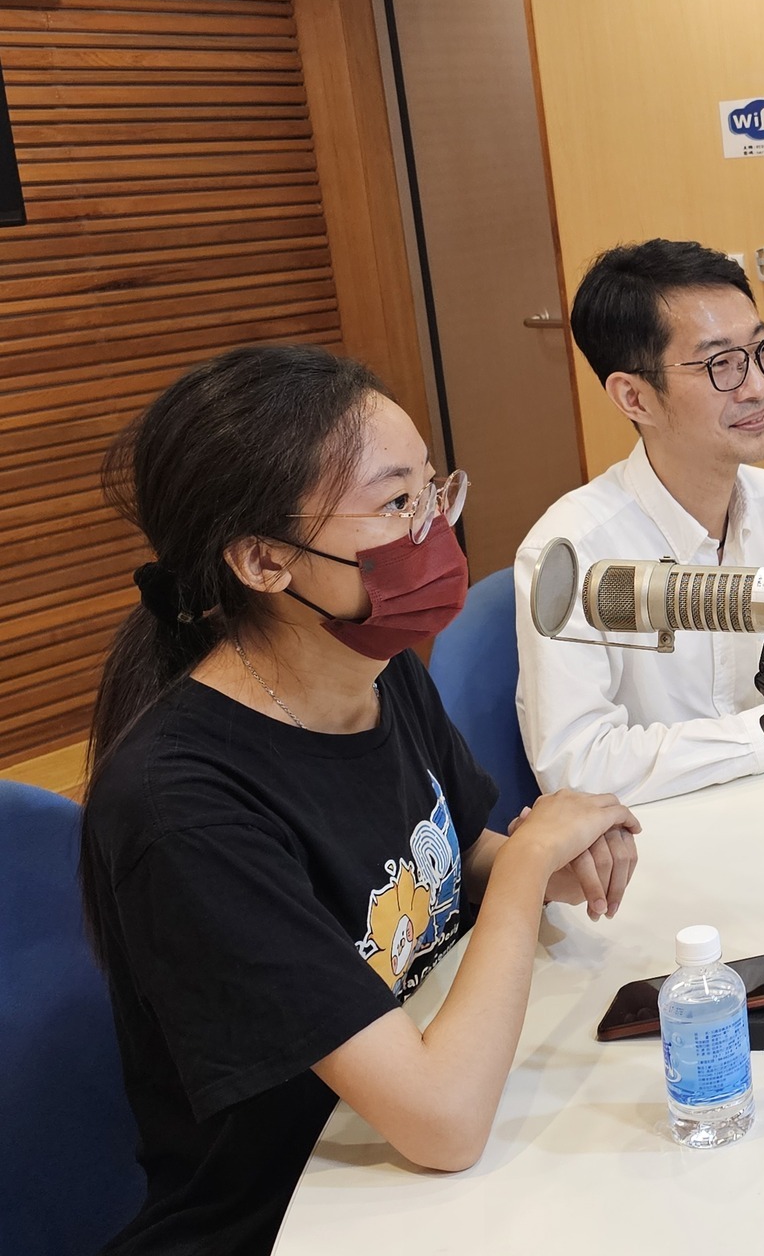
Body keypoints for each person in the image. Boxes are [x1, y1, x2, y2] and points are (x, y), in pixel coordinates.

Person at [81, 345, 642, 1255]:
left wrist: (544, 864)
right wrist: (530, 860)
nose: (435, 533)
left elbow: (456, 851)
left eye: (433, 491)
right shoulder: (182, 805)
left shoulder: (371, 671)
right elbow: (442, 1124)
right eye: (394, 505)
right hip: (293, 1212)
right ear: (264, 559)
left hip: (400, 1161)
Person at [515, 239, 764, 806]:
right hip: (656, 856)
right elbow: (578, 765)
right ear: (634, 397)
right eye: (721, 364)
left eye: (759, 350)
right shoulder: (573, 555)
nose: (757, 386)